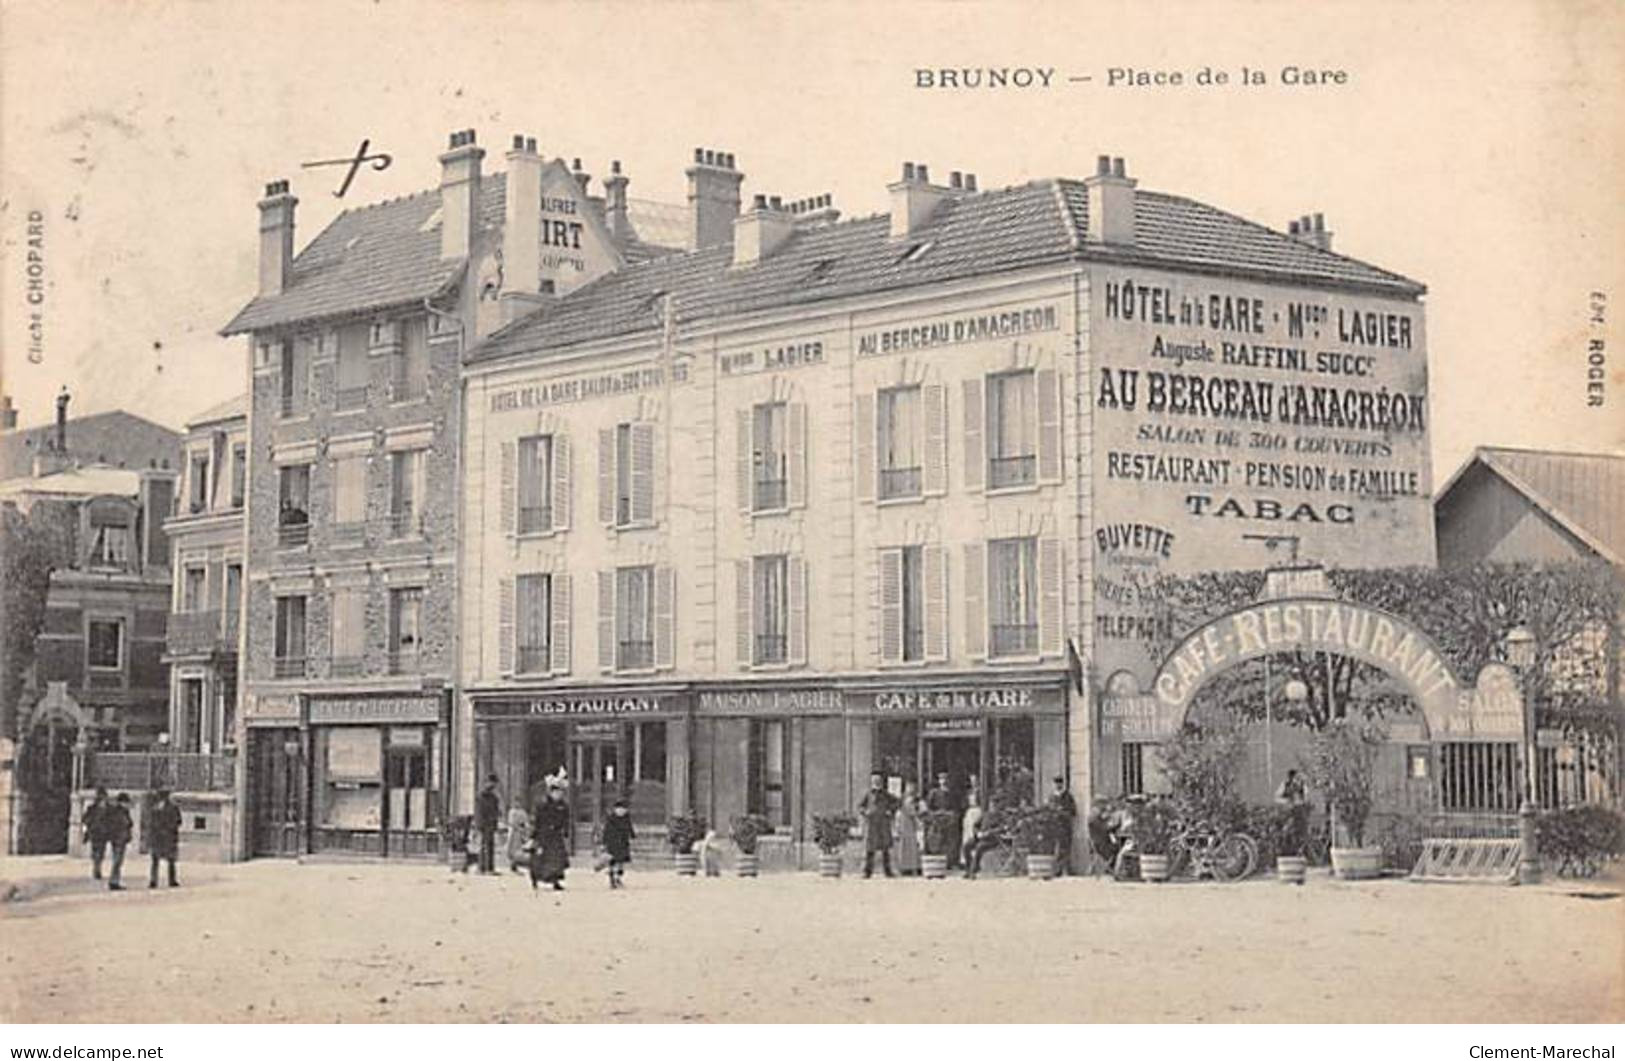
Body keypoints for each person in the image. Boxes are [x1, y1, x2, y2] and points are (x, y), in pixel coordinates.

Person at [529, 781, 571, 892]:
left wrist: (566, 830)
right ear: (551, 792)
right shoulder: (543, 804)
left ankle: (555, 880)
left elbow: (566, 819)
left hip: (556, 834)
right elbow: (537, 820)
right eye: (557, 792)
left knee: (557, 859)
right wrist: (534, 835)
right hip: (544, 834)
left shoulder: (563, 805)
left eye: (561, 792)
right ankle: (536, 878)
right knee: (542, 858)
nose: (559, 794)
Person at [857, 772, 899, 878]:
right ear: (871, 781)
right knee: (870, 850)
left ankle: (888, 871)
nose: (876, 782)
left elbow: (897, 802)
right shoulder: (868, 794)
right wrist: (865, 812)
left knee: (885, 850)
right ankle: (867, 871)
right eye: (874, 780)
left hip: (883, 824)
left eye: (878, 780)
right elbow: (860, 806)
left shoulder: (886, 794)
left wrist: (890, 810)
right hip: (872, 825)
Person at [926, 773, 963, 870]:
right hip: (938, 819)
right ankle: (939, 862)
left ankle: (951, 862)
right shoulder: (934, 793)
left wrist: (954, 814)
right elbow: (929, 807)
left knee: (951, 840)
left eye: (946, 779)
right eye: (941, 779)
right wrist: (935, 814)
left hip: (949, 819)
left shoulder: (953, 793)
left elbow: (957, 807)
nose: (944, 781)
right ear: (939, 781)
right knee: (939, 840)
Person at [148, 788, 181, 889]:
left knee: (155, 860)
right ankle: (172, 880)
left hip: (158, 836)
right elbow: (178, 821)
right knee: (171, 860)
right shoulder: (174, 807)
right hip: (168, 836)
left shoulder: (154, 808)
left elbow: (151, 823)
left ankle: (153, 880)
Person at [1046, 775, 1078, 876]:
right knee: (1056, 847)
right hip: (1054, 825)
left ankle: (1066, 869)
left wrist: (1063, 812)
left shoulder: (1068, 796)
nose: (1057, 785)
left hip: (1065, 825)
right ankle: (1056, 869)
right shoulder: (1051, 797)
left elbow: (1073, 811)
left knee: (1066, 847)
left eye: (1059, 782)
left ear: (1062, 784)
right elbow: (1048, 810)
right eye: (1056, 783)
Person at [601, 798, 635, 889]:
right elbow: (606, 831)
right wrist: (604, 843)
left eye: (623, 809)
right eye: (619, 809)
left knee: (621, 862)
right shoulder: (611, 819)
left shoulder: (626, 818)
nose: (621, 811)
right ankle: (612, 878)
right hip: (613, 843)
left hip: (623, 843)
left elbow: (629, 827)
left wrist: (632, 835)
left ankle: (618, 878)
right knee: (613, 862)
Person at [82, 787, 113, 881]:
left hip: (103, 833)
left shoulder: (108, 808)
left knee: (100, 851)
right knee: (96, 851)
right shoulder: (92, 808)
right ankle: (96, 869)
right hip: (95, 832)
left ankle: (97, 867)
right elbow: (85, 819)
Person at [104, 793, 134, 891]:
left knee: (118, 860)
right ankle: (113, 881)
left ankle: (115, 880)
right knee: (117, 860)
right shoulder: (118, 812)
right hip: (118, 838)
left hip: (119, 838)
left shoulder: (121, 811)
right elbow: (125, 823)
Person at [894, 781, 922, 876]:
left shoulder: (915, 800)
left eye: (912, 787)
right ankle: (904, 867)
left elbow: (914, 812)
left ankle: (912, 866)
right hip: (904, 823)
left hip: (910, 824)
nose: (910, 789)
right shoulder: (903, 800)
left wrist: (917, 820)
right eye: (909, 787)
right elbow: (908, 811)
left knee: (912, 846)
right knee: (904, 845)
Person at [475, 775, 502, 875]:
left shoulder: (494, 798)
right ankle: (482, 867)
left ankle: (489, 867)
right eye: (492, 783)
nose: (493, 785)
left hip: (491, 824)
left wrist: (496, 820)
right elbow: (479, 812)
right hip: (484, 824)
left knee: (490, 845)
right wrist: (479, 824)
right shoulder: (481, 796)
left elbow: (496, 811)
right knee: (483, 846)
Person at [505, 803, 532, 873]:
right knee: (511, 848)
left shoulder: (522, 812)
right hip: (512, 832)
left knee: (517, 849)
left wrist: (524, 829)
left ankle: (515, 863)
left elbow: (525, 823)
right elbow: (510, 822)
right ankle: (512, 864)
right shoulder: (511, 812)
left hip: (518, 833)